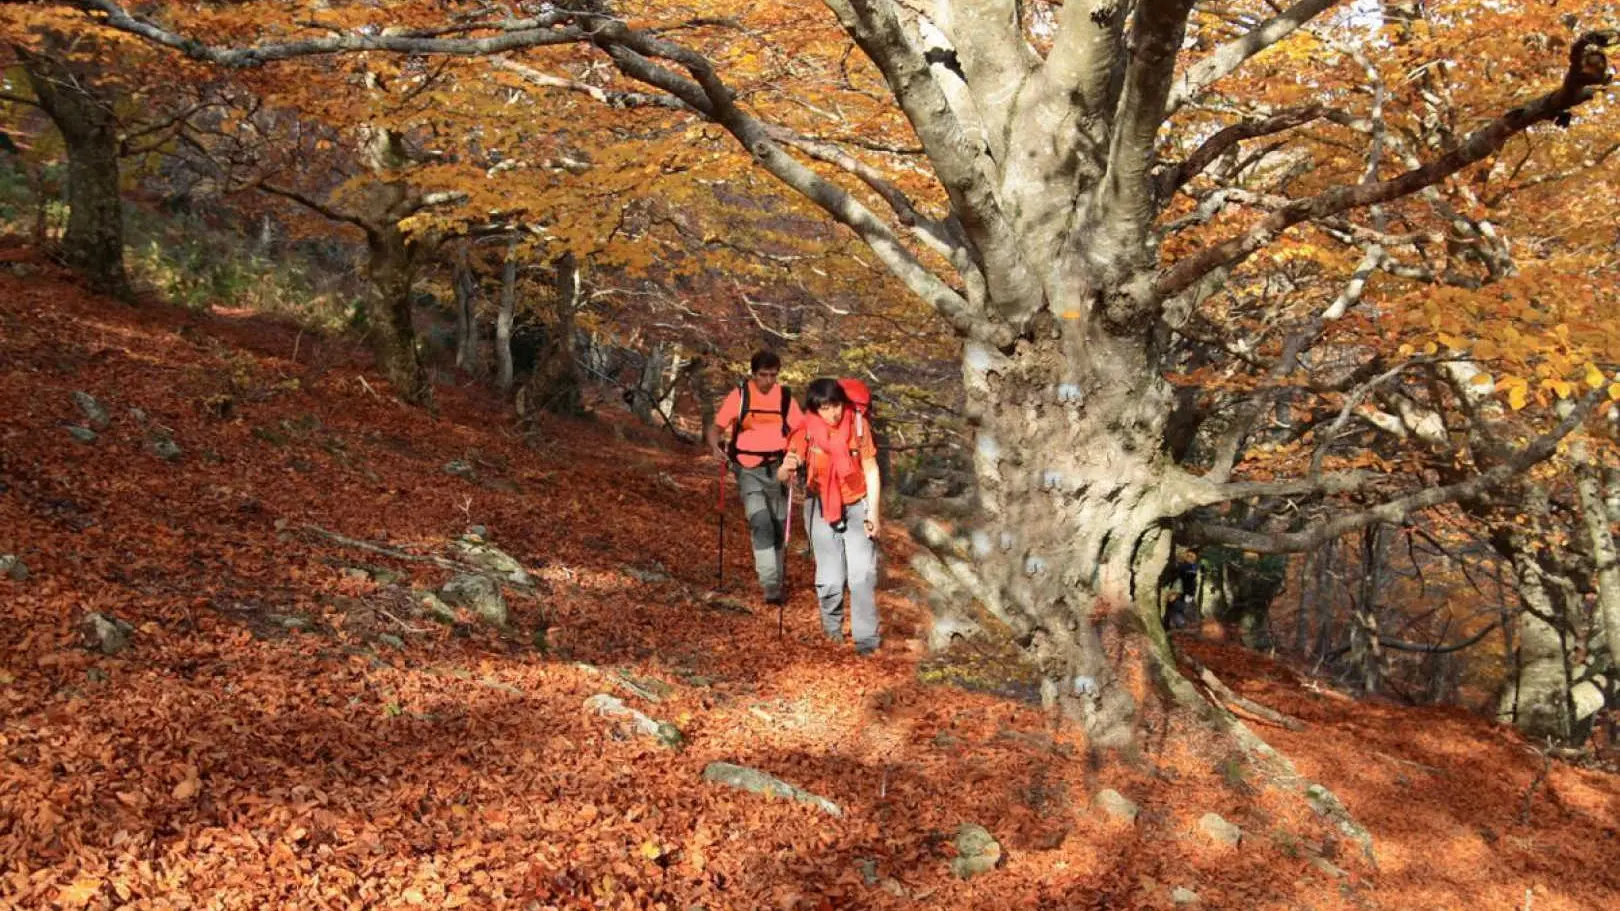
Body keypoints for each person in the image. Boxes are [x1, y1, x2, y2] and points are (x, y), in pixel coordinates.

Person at [779, 378, 882, 655]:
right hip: (820, 504)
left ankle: (867, 643)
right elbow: (788, 464)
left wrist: (874, 511)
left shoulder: (858, 427)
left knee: (861, 575)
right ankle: (831, 632)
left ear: (843, 403)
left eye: (835, 405)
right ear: (814, 409)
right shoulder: (806, 431)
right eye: (824, 408)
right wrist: (787, 466)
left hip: (857, 503)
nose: (832, 413)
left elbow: (871, 470)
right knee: (831, 577)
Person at [706, 350, 803, 604]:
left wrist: (794, 456)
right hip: (747, 469)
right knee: (760, 521)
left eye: (773, 375)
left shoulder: (785, 398)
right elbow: (716, 428)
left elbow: (801, 431)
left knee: (779, 525)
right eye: (763, 375)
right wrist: (715, 447)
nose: (768, 380)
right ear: (753, 374)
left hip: (778, 468)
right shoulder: (739, 397)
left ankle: (777, 579)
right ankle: (771, 585)